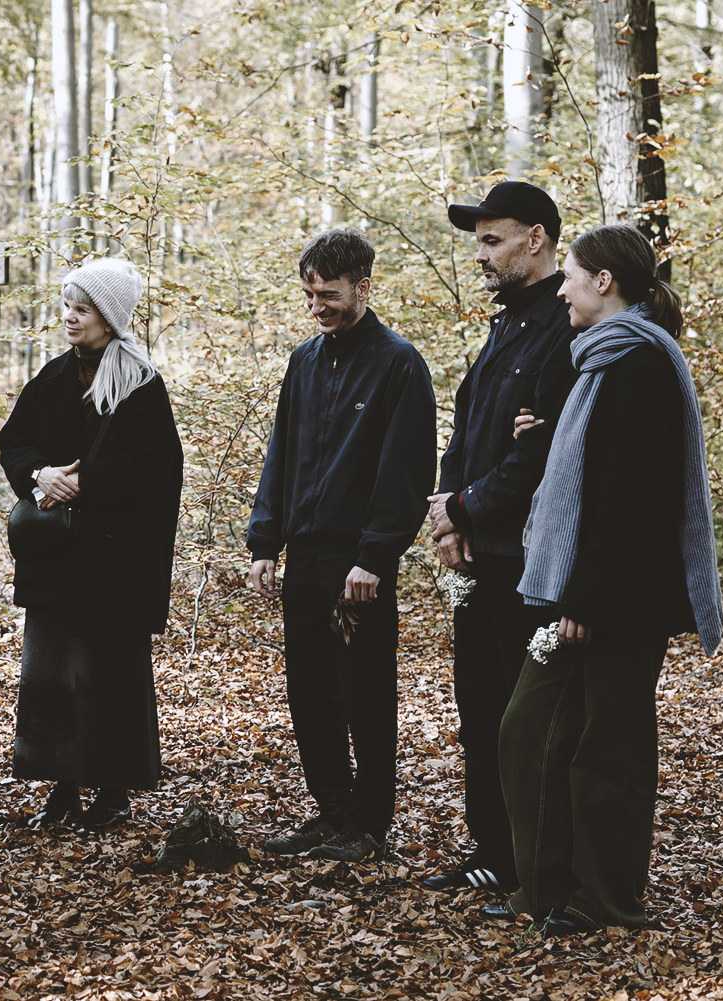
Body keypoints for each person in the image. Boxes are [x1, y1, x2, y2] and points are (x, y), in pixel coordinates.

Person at [488, 223, 723, 934]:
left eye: (573, 274)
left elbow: (631, 496)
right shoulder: (604, 361)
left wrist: (584, 596)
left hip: (619, 597)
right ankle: (550, 885)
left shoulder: (638, 362)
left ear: (604, 282)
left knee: (607, 749)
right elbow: (599, 463)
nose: (560, 285)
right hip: (594, 588)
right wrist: (551, 427)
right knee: (534, 732)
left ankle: (606, 898)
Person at [247, 229, 436, 862]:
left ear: (363, 286)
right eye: (308, 294)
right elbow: (283, 456)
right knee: (311, 690)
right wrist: (264, 542)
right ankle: (330, 813)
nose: (316, 306)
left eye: (328, 294)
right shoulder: (304, 362)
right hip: (303, 555)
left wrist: (375, 557)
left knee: (366, 694)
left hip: (359, 562)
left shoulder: (398, 364)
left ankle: (370, 824)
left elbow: (406, 472)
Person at [421, 181, 578, 894]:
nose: (479, 254)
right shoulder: (502, 325)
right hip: (478, 556)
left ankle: (531, 861)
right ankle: (491, 849)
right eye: (477, 240)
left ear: (536, 239)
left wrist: (468, 507)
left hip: (528, 562)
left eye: (492, 240)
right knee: (477, 712)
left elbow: (541, 452)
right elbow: (465, 432)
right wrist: (444, 510)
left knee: (526, 720)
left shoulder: (565, 324)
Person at [0, 257, 183, 830]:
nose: (70, 317)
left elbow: (158, 470)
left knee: (112, 672)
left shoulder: (140, 383)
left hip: (115, 560)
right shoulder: (53, 376)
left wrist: (88, 484)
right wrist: (41, 476)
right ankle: (60, 789)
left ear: (109, 315)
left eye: (82, 308)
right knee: (53, 672)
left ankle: (113, 790)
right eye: (68, 306)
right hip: (58, 560)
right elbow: (15, 441)